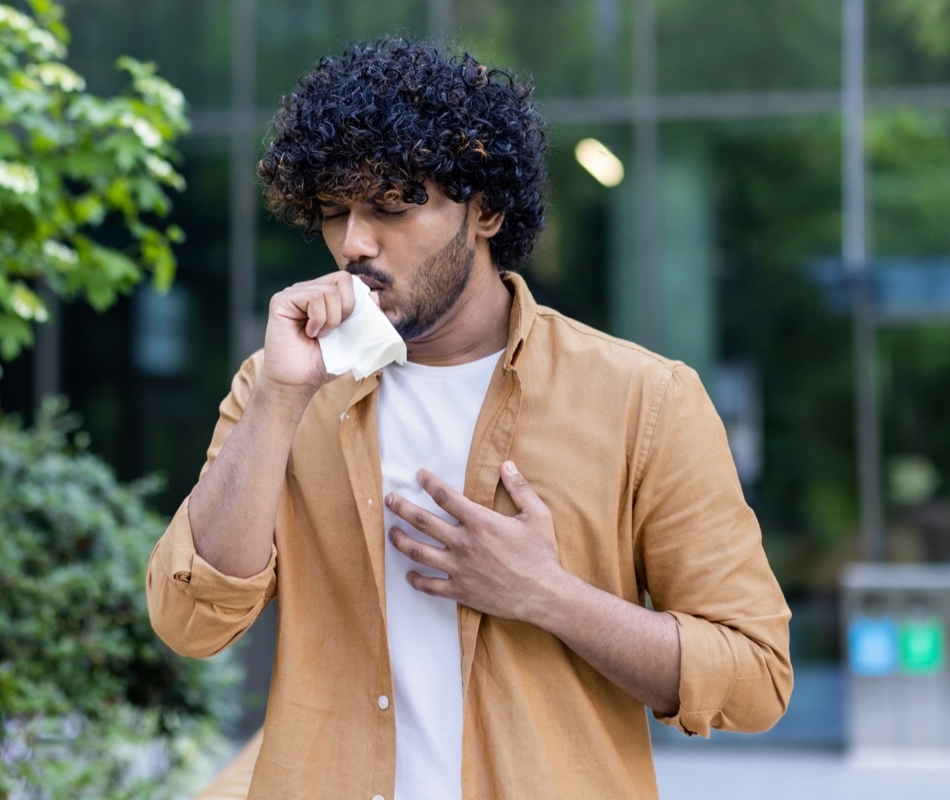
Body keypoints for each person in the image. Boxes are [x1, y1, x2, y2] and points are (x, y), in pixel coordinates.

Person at [147, 38, 792, 799]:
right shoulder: (280, 386)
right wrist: (281, 401)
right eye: (333, 213)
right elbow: (190, 621)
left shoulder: (643, 399)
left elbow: (755, 677)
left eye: (390, 206)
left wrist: (547, 594)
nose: (353, 243)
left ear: (485, 209)